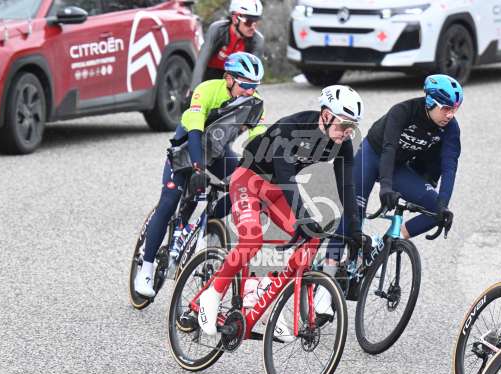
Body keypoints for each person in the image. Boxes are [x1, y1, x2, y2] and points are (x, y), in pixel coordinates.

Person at [196, 85, 365, 337]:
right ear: (326, 115)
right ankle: (212, 293)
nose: (347, 132)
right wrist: (302, 215)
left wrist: (354, 229)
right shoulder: (291, 128)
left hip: (276, 190)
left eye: (352, 127)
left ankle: (266, 299)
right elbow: (285, 172)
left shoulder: (342, 142)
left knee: (313, 236)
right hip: (249, 180)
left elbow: (347, 185)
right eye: (344, 125)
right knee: (252, 240)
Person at [134, 52, 266, 298]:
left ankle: (210, 221)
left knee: (246, 186)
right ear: (229, 79)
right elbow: (195, 131)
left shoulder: (254, 102)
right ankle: (147, 267)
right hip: (187, 149)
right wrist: (197, 166)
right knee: (169, 202)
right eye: (245, 85)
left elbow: (259, 141)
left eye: (254, 86)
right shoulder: (206, 90)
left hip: (217, 153)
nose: (250, 91)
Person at [324, 74, 462, 266]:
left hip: (398, 167)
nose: (450, 115)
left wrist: (443, 204)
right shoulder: (403, 111)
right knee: (353, 213)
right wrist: (386, 187)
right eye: (446, 108)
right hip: (372, 156)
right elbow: (388, 149)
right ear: (431, 102)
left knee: (435, 212)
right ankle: (328, 271)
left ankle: (382, 246)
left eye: (455, 109)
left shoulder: (451, 128)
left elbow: (449, 166)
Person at [190, 0, 264, 91]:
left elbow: (253, 75)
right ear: (235, 18)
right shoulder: (217, 29)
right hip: (210, 75)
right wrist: (194, 90)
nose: (253, 27)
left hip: (235, 79)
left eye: (256, 22)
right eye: (248, 22)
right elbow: (201, 62)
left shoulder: (257, 40)